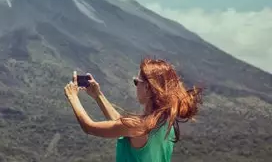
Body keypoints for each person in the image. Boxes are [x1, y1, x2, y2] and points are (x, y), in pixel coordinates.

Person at [63, 58, 203, 161]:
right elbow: (120, 123)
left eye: (137, 82)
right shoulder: (167, 123)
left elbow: (89, 127)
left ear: (148, 88)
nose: (136, 86)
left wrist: (72, 96)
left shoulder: (139, 126)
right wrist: (98, 95)